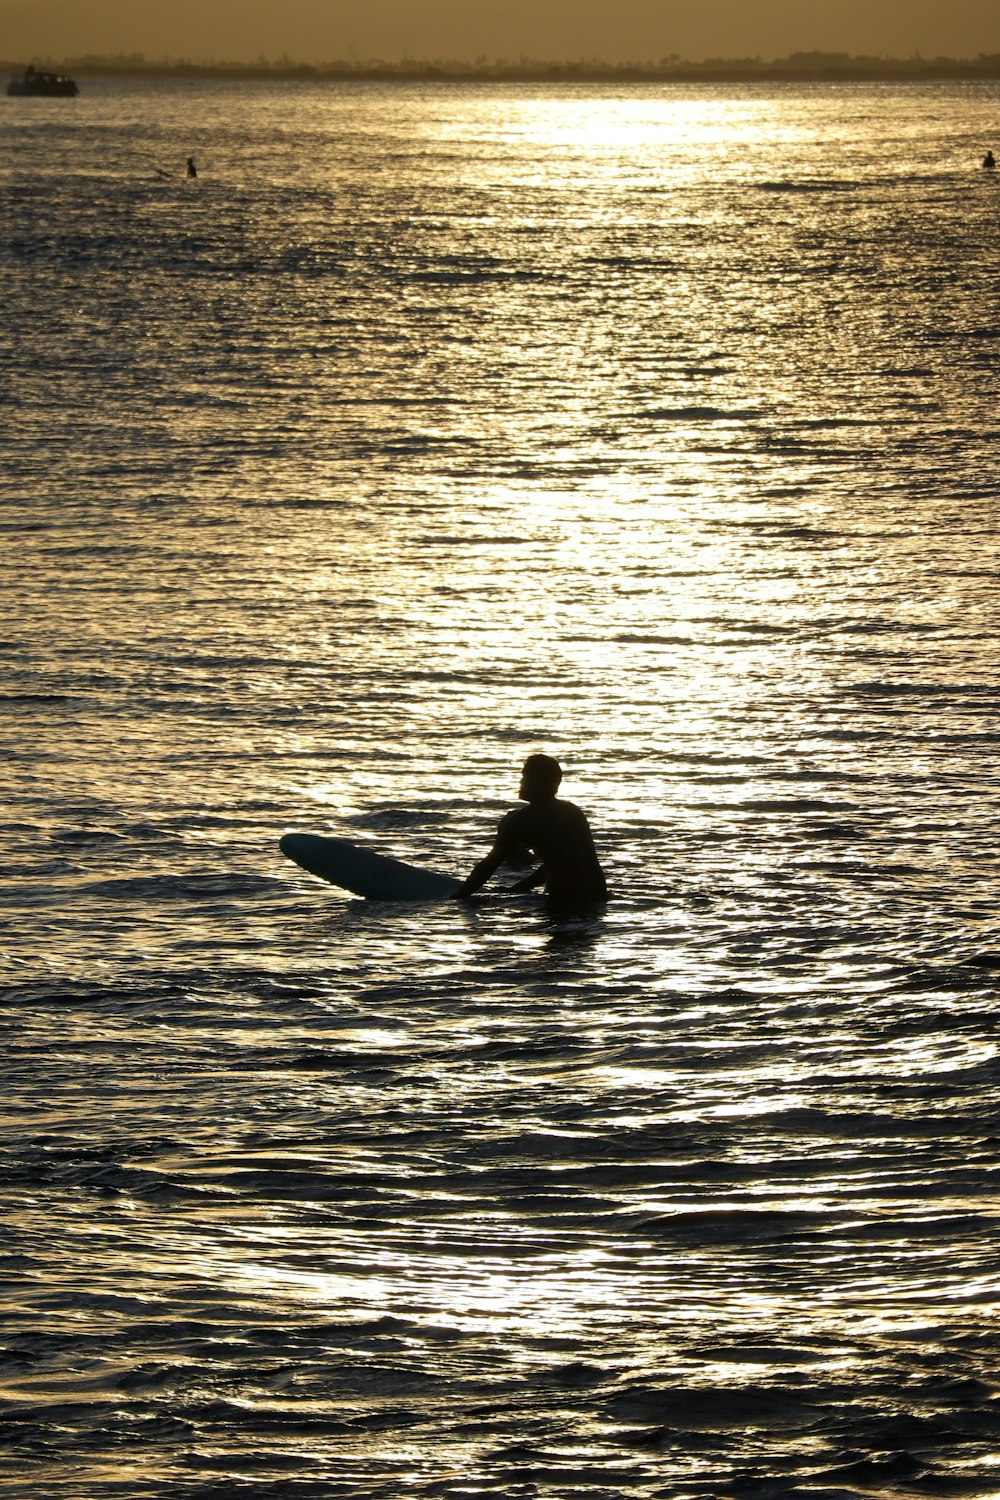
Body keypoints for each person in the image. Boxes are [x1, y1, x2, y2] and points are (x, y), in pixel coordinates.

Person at [454, 754, 608, 903]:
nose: (520, 783)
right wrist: (520, 888)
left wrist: (457, 898)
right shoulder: (572, 811)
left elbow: (489, 864)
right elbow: (563, 861)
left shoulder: (523, 818)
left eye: (525, 777)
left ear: (539, 781)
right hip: (598, 895)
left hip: (565, 899)